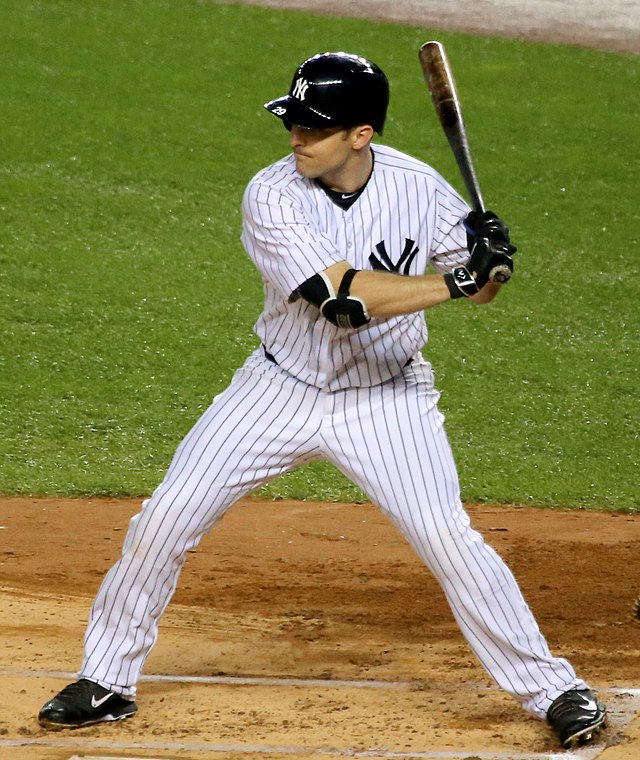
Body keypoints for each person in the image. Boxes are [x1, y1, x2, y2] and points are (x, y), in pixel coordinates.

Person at [38, 51, 606, 750]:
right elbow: (342, 300)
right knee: (165, 519)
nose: (296, 138)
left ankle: (554, 689)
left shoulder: (419, 186)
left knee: (450, 541)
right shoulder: (270, 194)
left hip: (387, 399)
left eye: (314, 128)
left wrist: (487, 262)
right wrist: (457, 285)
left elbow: (481, 285)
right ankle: (106, 679)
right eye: (294, 123)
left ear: (360, 135)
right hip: (277, 388)